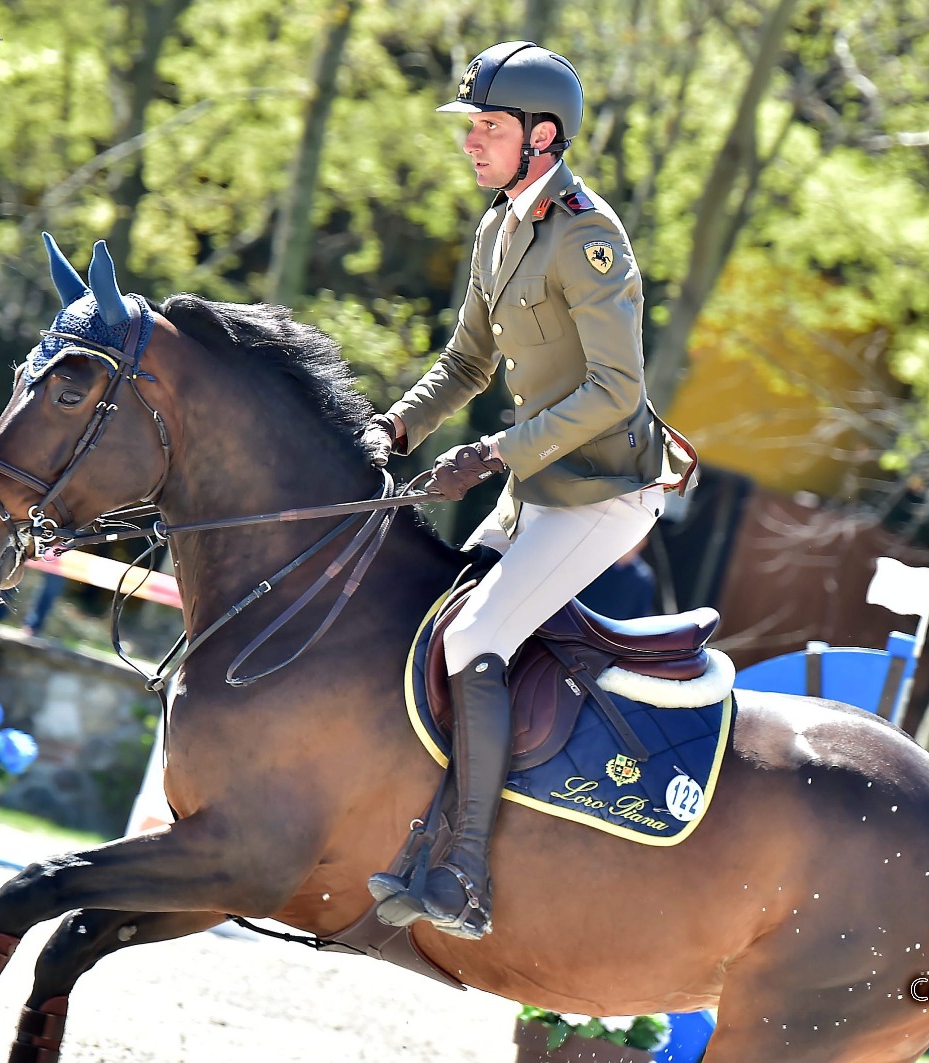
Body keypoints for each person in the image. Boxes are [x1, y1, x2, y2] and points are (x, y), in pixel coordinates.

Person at [361, 41, 693, 940]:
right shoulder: (499, 226)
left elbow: (617, 391)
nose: (472, 141)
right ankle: (419, 840)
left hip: (603, 491)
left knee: (477, 632)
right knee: (433, 618)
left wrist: (497, 452)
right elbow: (466, 361)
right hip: (537, 481)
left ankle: (467, 873)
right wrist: (391, 429)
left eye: (490, 127)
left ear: (543, 138)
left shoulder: (588, 236)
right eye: (471, 125)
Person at [576, 537, 658, 621]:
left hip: (611, 631)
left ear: (643, 543)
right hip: (580, 623)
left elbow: (639, 617)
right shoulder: (595, 563)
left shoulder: (643, 577)